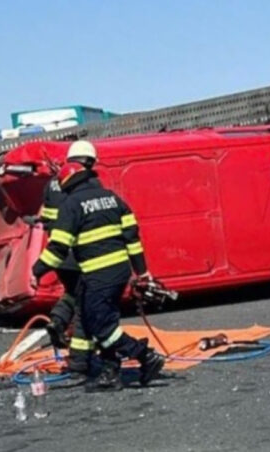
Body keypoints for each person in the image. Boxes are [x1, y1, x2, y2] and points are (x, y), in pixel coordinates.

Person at [31, 159, 165, 391]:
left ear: (66, 185)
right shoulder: (112, 198)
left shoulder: (71, 205)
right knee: (101, 320)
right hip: (119, 272)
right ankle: (110, 373)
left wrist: (37, 271)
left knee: (100, 327)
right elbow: (132, 238)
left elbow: (59, 248)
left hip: (98, 274)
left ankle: (145, 355)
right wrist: (142, 271)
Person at [38, 141, 101, 378]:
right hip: (82, 252)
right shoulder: (90, 183)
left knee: (73, 293)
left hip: (59, 253)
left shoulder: (51, 184)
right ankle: (80, 360)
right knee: (86, 306)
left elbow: (47, 220)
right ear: (89, 162)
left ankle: (57, 321)